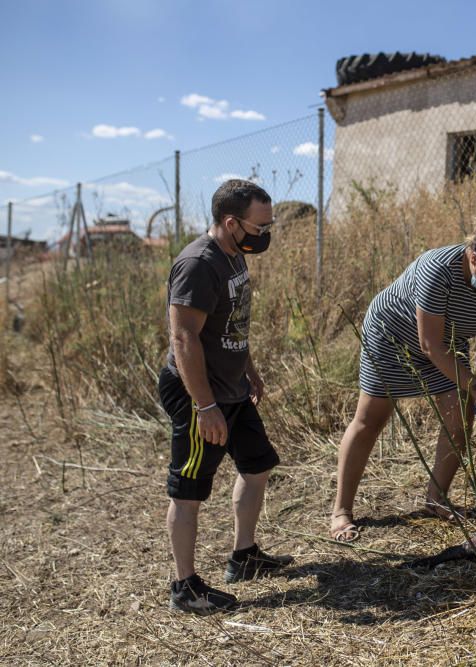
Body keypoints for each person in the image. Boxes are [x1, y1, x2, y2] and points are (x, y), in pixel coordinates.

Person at [329, 222, 476, 542]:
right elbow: (429, 345)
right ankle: (341, 511)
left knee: (460, 418)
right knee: (370, 420)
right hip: (392, 337)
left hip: (447, 342)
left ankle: (436, 499)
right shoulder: (438, 269)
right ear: (473, 257)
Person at [158, 179, 292, 614]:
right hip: (200, 391)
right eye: (259, 226)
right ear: (231, 222)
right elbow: (184, 338)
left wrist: (249, 370)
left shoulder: (235, 255)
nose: (265, 233)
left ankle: (245, 556)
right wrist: (205, 406)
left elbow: (232, 323)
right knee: (189, 490)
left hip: (232, 388)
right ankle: (185, 587)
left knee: (257, 466)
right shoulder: (199, 264)